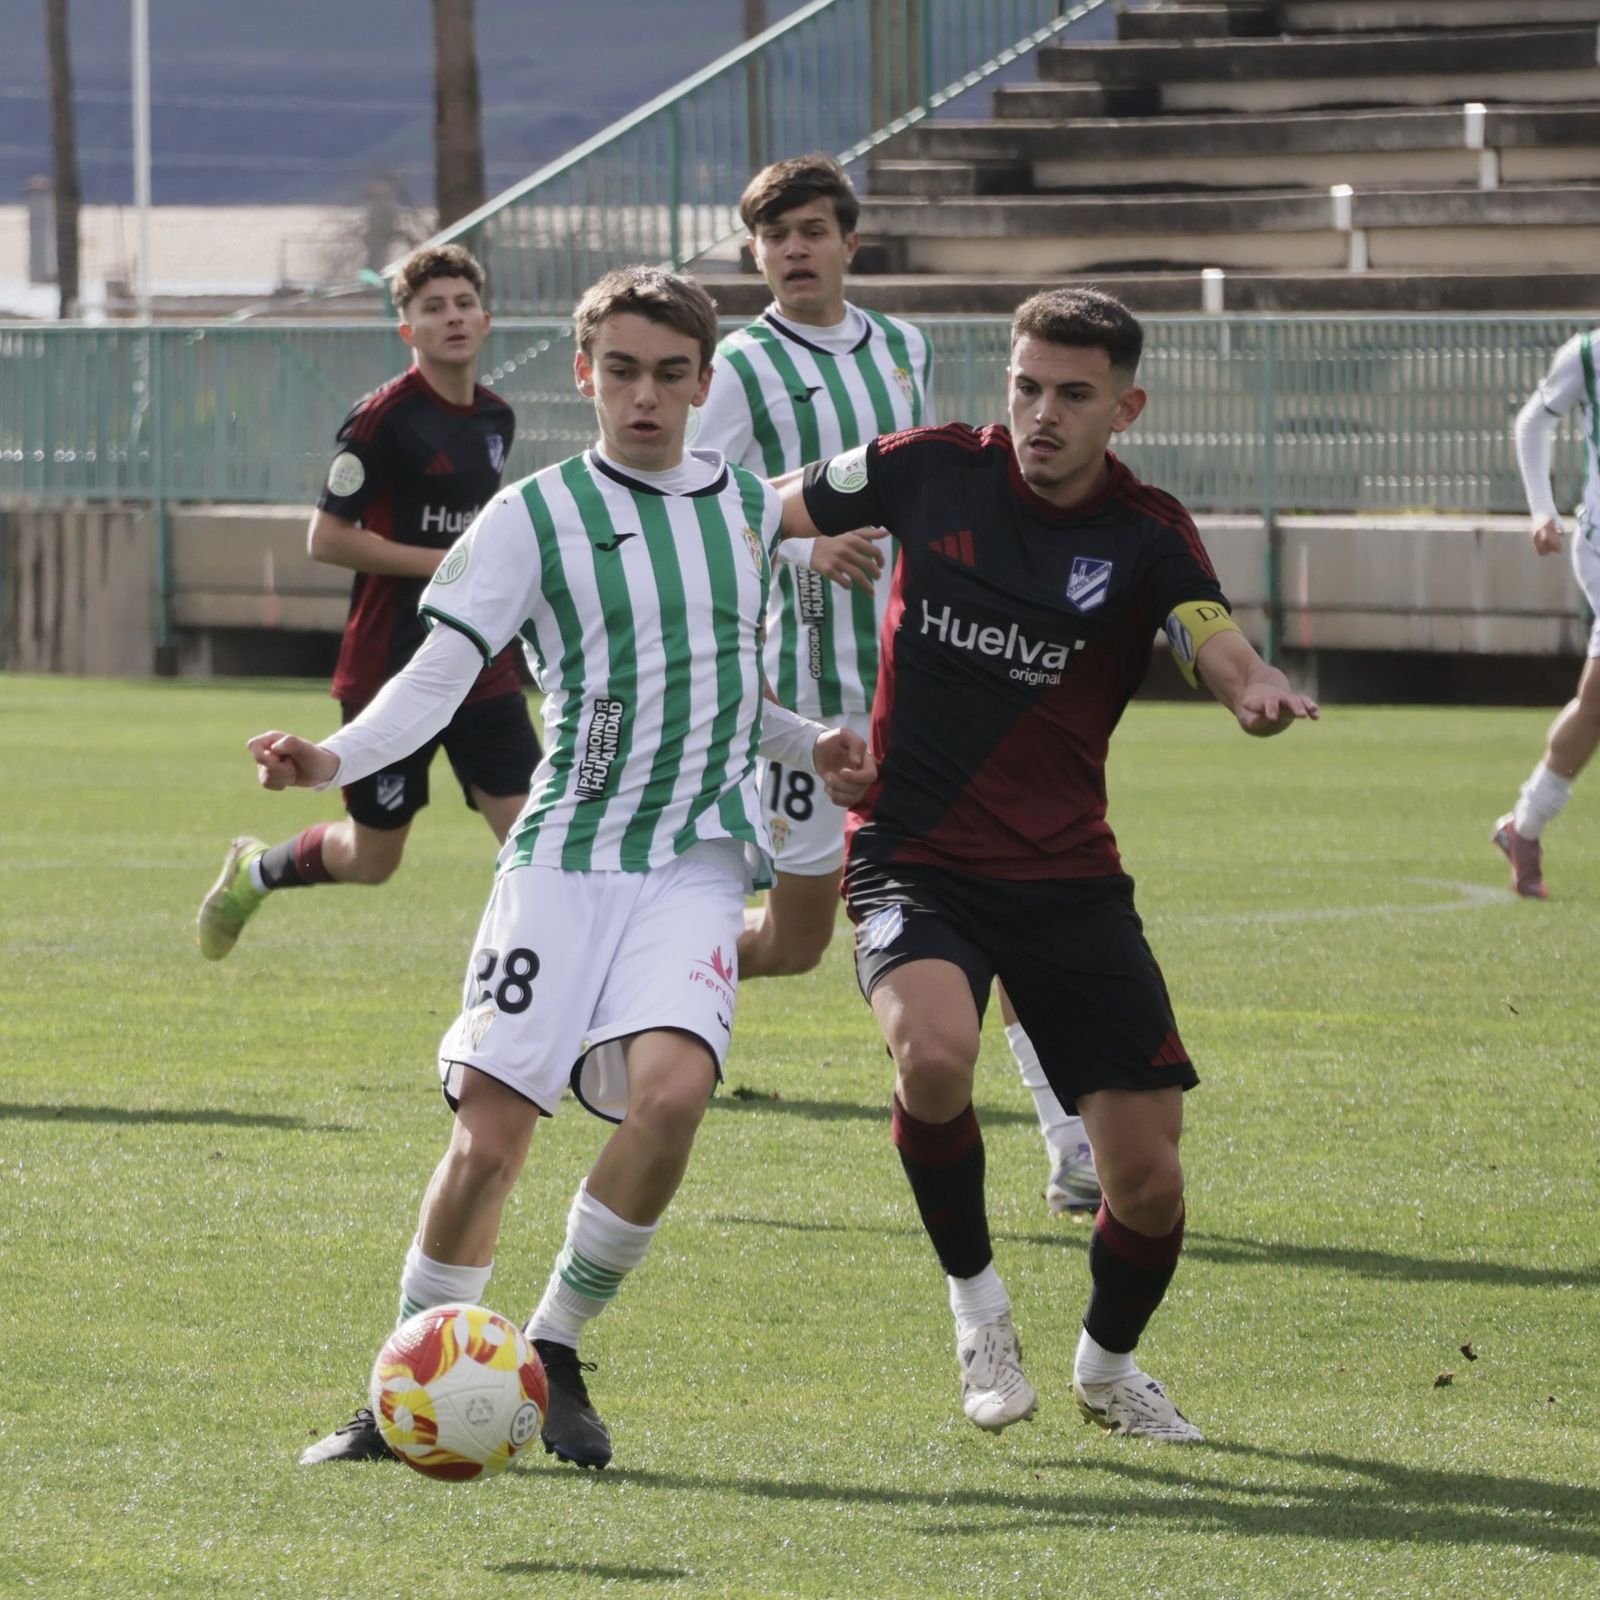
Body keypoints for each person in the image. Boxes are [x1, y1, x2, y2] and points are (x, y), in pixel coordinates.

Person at [254, 265, 875, 1470]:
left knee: (674, 1096)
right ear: (585, 374)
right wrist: (330, 754)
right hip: (559, 856)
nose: (646, 396)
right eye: (624, 371)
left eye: (672, 373)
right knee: (491, 1138)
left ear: (703, 381)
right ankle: (406, 1383)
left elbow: (734, 696)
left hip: (694, 858)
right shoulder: (529, 516)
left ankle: (556, 1344)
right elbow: (435, 680)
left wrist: (816, 743)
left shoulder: (747, 509)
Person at [776, 287, 1318, 1442]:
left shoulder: (1146, 534)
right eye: (1026, 385)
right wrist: (808, 539)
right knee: (933, 1057)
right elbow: (736, 522)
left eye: (1073, 395)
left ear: (1125, 407)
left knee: (1150, 1183)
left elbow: (1202, 628)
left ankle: (1105, 1367)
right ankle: (978, 1310)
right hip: (912, 848)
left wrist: (1252, 685)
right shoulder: (921, 468)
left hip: (1068, 877)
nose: (1041, 412)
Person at [694, 152, 1099, 1215]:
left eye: (811, 230)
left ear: (848, 242)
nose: (793, 249)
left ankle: (1069, 1142)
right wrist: (801, 549)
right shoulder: (736, 368)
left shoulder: (903, 346)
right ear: (755, 253)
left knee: (1000, 898)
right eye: (774, 234)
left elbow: (922, 473)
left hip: (924, 685)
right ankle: (641, 983)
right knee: (791, 940)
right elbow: (699, 505)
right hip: (806, 701)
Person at [196, 243, 539, 959]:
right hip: (389, 664)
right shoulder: (380, 421)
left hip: (480, 664)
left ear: (486, 319)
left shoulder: (497, 419)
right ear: (406, 330)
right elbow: (326, 538)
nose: (451, 317)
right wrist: (449, 565)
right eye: (432, 308)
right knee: (374, 859)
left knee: (535, 836)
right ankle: (256, 873)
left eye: (462, 304)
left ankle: (545, 1001)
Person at [1497, 329, 1600, 898]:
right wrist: (1542, 510)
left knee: (1596, 703)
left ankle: (1524, 826)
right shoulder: (1588, 354)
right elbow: (1533, 422)